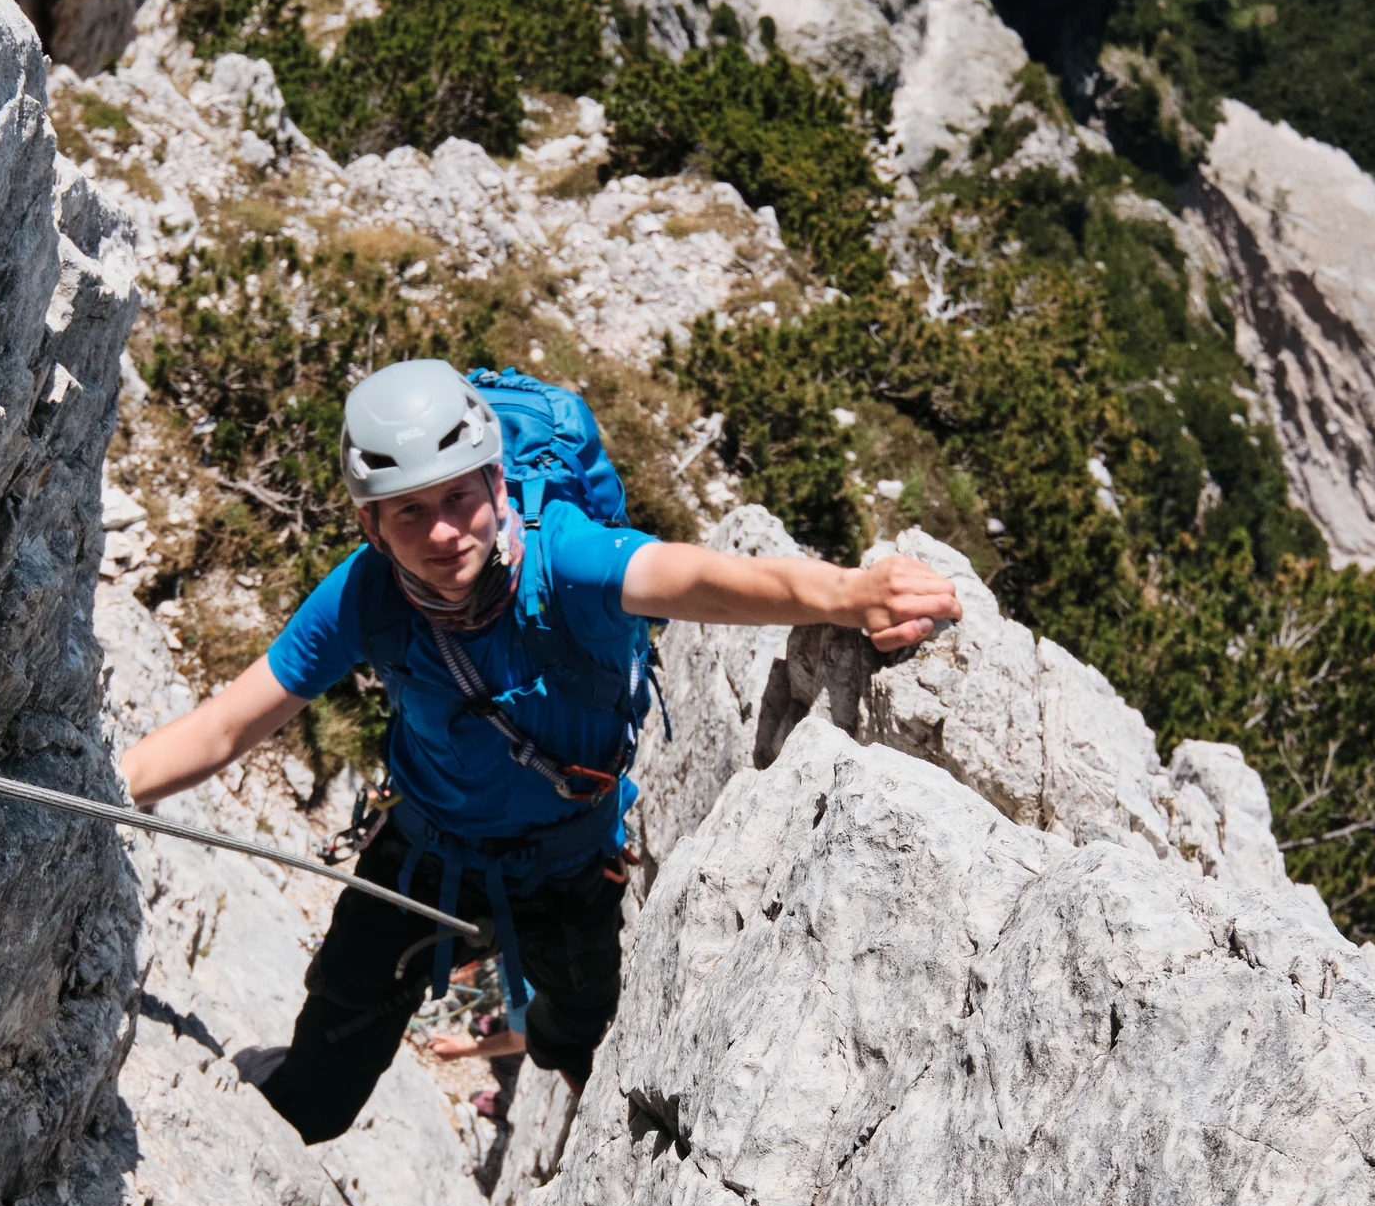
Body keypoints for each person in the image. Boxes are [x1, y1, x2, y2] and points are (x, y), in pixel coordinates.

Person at [121, 359, 960, 1144]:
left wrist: (847, 593)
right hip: (426, 850)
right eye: (409, 510)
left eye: (459, 496)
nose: (443, 531)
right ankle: (292, 1108)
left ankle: (573, 1136)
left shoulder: (564, 561)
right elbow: (230, 724)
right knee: (327, 1066)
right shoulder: (364, 595)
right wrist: (112, 785)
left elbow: (695, 579)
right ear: (369, 524)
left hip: (567, 865)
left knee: (577, 1029)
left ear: (496, 481)